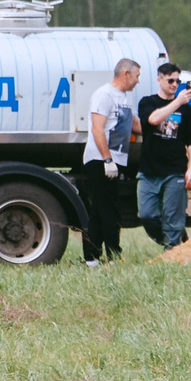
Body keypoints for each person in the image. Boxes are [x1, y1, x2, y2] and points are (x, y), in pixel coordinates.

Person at [78, 58, 139, 266]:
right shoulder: (104, 95)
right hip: (100, 160)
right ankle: (114, 256)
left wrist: (160, 126)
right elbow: (97, 129)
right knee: (111, 209)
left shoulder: (125, 98)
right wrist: (107, 159)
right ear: (126, 74)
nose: (138, 80)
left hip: (115, 159)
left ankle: (91, 257)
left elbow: (134, 125)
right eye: (137, 76)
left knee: (99, 210)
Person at [134, 62, 191, 248]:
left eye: (177, 81)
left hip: (175, 171)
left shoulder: (187, 111)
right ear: (159, 79)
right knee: (146, 215)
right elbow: (153, 119)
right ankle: (173, 244)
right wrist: (177, 102)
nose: (174, 85)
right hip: (149, 171)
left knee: (173, 218)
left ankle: (172, 251)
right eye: (170, 80)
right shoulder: (147, 103)